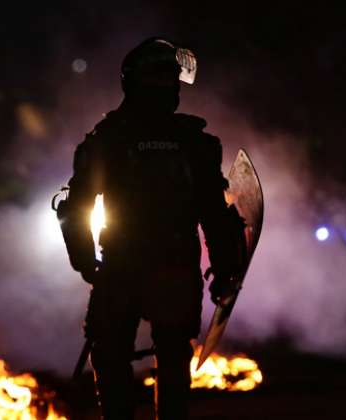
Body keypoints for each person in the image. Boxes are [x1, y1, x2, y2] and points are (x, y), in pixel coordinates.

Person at [62, 38, 242, 419]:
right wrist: (227, 268)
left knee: (111, 359)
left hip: (121, 268)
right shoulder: (194, 142)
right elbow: (216, 212)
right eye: (166, 78)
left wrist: (84, 261)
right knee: (173, 358)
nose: (171, 86)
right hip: (175, 268)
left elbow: (74, 208)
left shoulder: (107, 140)